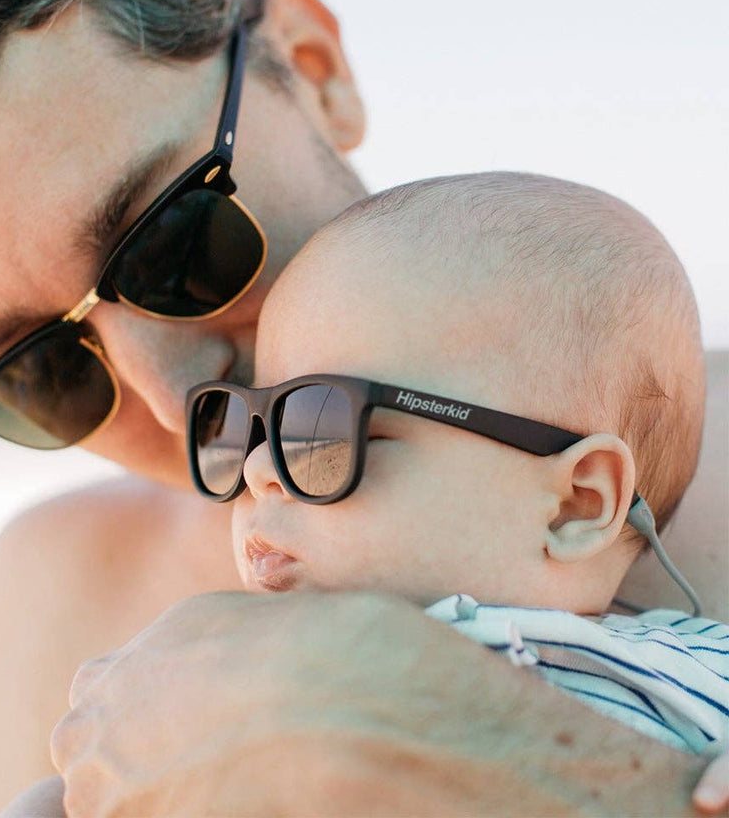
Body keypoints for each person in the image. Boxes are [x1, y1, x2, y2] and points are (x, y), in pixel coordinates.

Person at [0, 0, 726, 817]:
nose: (175, 399)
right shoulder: (54, 594)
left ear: (314, 69)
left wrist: (516, 753)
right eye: (46, 373)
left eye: (175, 241)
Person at [190, 174, 727, 756]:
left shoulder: (694, 663)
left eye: (321, 430)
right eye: (244, 427)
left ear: (575, 506)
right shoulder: (245, 673)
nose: (257, 470)